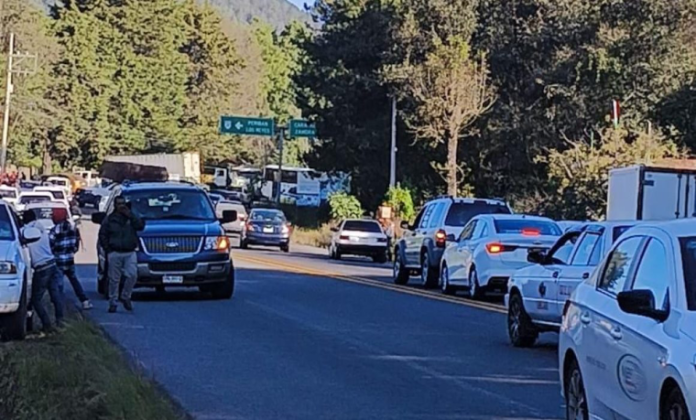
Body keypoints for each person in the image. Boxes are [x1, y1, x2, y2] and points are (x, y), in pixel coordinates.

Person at [98, 195, 145, 313]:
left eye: (123, 203)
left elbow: (140, 226)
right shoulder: (109, 219)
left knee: (132, 275)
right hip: (114, 252)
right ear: (115, 205)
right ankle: (113, 302)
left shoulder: (131, 217)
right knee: (114, 279)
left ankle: (126, 296)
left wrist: (130, 215)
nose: (121, 206)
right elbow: (102, 234)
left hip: (129, 252)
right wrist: (108, 249)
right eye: (119, 204)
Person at [23, 210, 65, 332]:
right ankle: (61, 322)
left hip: (41, 267)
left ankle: (47, 325)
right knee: (55, 295)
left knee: (36, 299)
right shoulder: (41, 228)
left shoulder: (25, 232)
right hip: (52, 263)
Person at [50, 207, 93, 310]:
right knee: (74, 281)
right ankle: (84, 301)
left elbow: (50, 246)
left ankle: (60, 305)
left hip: (58, 261)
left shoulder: (54, 230)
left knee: (59, 284)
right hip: (70, 260)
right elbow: (76, 246)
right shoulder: (73, 228)